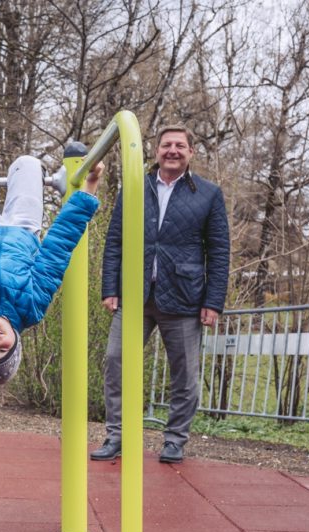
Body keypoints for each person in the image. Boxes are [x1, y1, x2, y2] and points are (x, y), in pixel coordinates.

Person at [91, 124, 230, 464]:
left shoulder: (208, 194)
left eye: (180, 145)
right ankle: (117, 435)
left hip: (184, 297)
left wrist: (213, 301)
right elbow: (114, 241)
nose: (172, 150)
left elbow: (219, 250)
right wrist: (110, 287)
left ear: (191, 152)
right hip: (134, 295)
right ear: (156, 151)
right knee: (115, 361)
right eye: (166, 144)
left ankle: (175, 440)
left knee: (184, 373)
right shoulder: (135, 188)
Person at [0, 156, 104, 385]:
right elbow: (58, 248)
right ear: (15, 341)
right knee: (28, 164)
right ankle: (53, 177)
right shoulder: (31, 306)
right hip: (24, 229)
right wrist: (89, 187)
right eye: (2, 351)